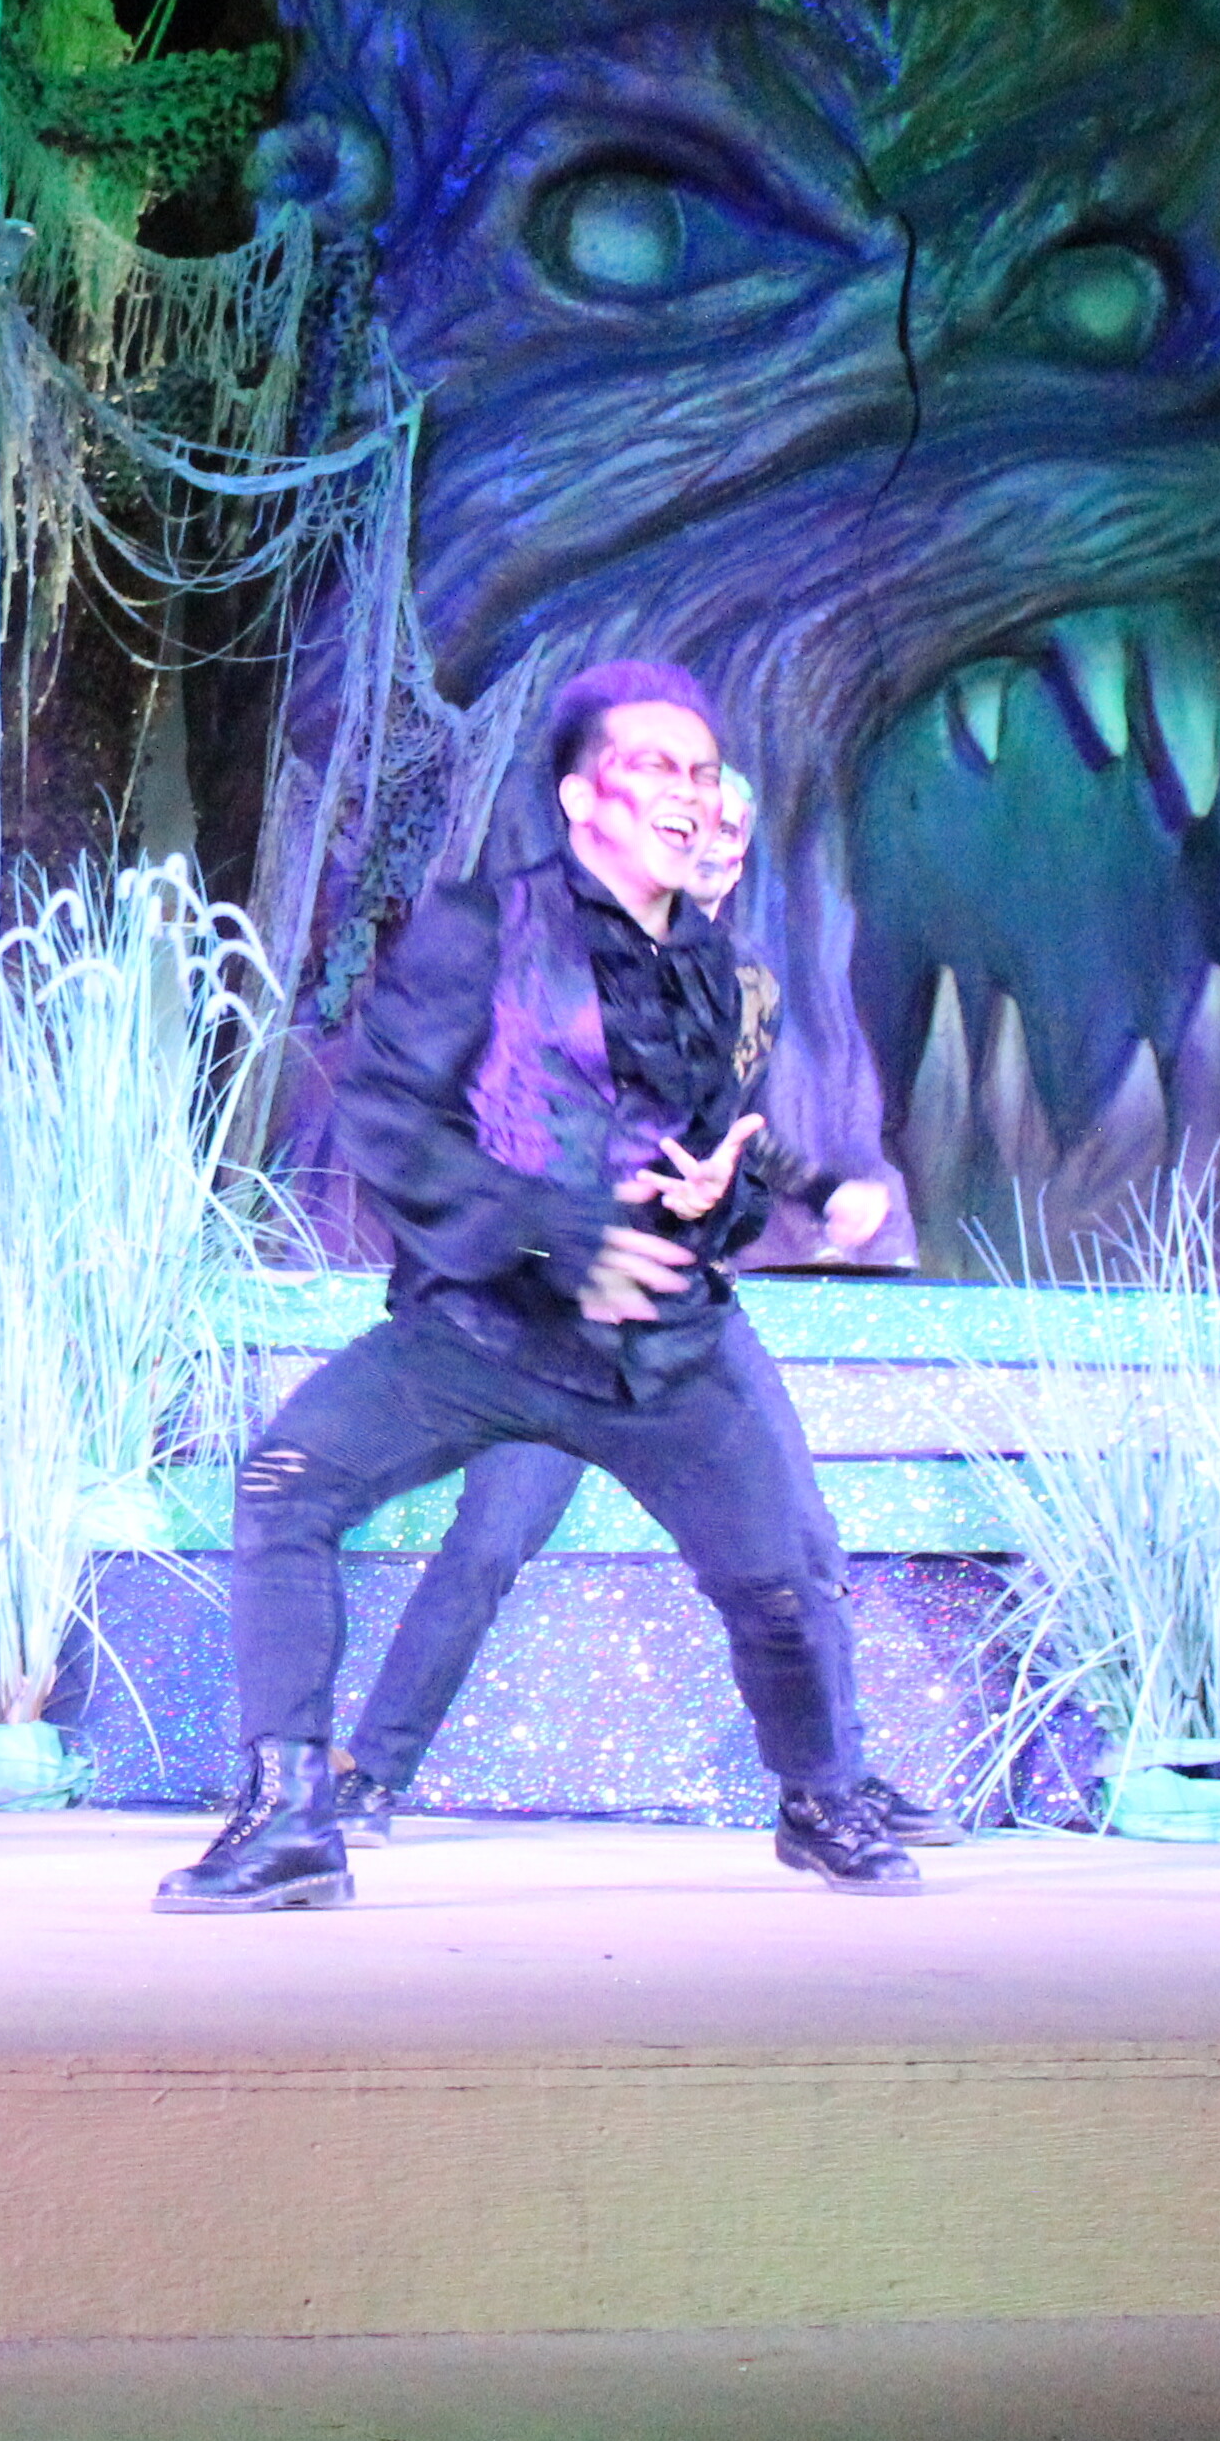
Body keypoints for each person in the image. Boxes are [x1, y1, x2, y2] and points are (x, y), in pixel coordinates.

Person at [160, 662, 941, 1912]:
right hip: (483, 1328)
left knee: (781, 1578)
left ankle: (822, 1799)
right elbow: (390, 1120)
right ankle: (294, 1819)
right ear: (582, 797)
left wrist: (720, 1198)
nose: (690, 792)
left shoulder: (721, 974)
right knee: (287, 1486)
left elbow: (714, 1161)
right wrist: (555, 1234)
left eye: (703, 771)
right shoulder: (479, 927)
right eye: (656, 766)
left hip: (655, 1344)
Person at [325, 771, 956, 1857]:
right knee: (490, 1541)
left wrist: (809, 1192)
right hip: (555, 1314)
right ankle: (371, 1775)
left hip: (680, 1313)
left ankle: (835, 1784)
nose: (717, 843)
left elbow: (730, 1137)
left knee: (799, 1543)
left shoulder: (741, 988)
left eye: (734, 830)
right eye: (697, 823)